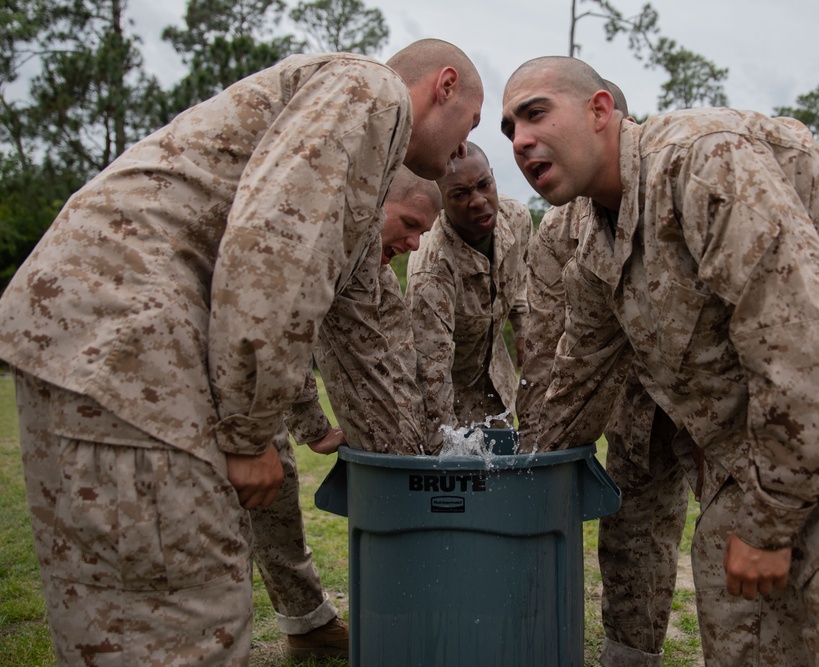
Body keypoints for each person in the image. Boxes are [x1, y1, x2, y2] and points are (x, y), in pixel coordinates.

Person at [501, 56, 819, 666]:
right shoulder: (593, 237)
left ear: (601, 110)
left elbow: (803, 348)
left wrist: (769, 526)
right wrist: (509, 486)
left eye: (534, 114)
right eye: (509, 131)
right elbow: (576, 378)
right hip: (769, 453)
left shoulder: (703, 161)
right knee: (740, 620)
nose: (520, 141)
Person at [0, 39, 482, 665]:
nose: (462, 152)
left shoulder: (355, 172)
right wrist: (252, 433)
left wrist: (418, 457)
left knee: (117, 625)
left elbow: (372, 327)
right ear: (443, 86)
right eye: (470, 123)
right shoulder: (373, 92)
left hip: (91, 339)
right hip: (131, 344)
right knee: (185, 628)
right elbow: (274, 252)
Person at [515, 81, 690, 667]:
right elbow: (546, 345)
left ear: (607, 118)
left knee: (742, 537)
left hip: (721, 400)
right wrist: (540, 453)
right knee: (632, 532)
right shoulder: (560, 231)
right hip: (629, 398)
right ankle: (630, 654)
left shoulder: (688, 176)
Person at [249, 167, 442, 661]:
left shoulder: (372, 261)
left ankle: (308, 626)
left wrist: (419, 438)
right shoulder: (322, 237)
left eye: (424, 232)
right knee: (248, 494)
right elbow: (284, 328)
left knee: (278, 493)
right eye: (410, 224)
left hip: (265, 371)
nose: (416, 243)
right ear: (376, 203)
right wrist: (313, 425)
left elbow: (396, 353)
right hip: (225, 362)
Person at [405, 142, 533, 440]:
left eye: (484, 185)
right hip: (447, 393)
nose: (478, 201)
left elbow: (520, 278)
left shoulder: (516, 219)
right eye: (460, 195)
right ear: (441, 202)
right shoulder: (432, 267)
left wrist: (523, 333)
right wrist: (446, 442)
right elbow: (430, 368)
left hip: (498, 382)